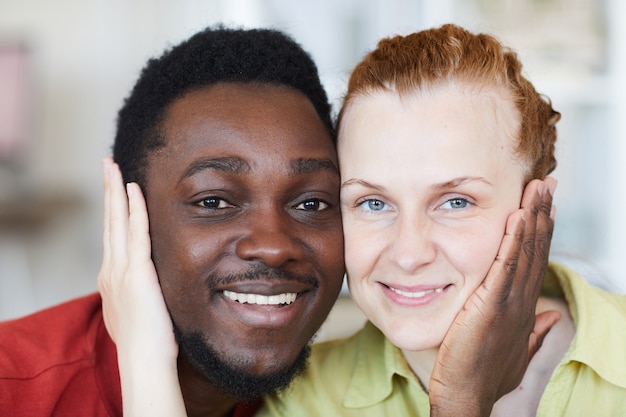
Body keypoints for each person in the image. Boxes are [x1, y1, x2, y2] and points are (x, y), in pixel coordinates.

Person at [4, 25, 553, 417]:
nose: (272, 247)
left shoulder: (323, 394)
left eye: (312, 203)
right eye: (214, 202)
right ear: (126, 218)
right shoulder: (14, 390)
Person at [258, 24, 626, 416]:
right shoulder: (304, 400)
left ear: (537, 208)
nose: (409, 254)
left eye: (455, 202)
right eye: (373, 203)